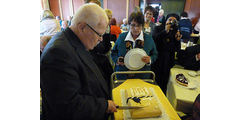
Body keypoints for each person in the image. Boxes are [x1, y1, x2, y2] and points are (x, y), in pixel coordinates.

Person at [40, 3, 117, 120]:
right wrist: (105, 105)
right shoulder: (58, 53)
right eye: (98, 34)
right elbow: (68, 105)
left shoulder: (76, 41)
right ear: (82, 27)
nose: (101, 39)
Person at [111, 12, 158, 80]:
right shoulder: (122, 37)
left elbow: (155, 54)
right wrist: (117, 60)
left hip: (142, 76)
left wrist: (150, 59)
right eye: (133, 25)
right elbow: (113, 52)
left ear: (142, 26)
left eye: (139, 25)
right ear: (129, 25)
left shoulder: (148, 39)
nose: (136, 28)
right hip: (122, 75)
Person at [152, 16, 182, 94]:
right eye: (169, 20)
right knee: (156, 77)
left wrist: (178, 40)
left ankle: (163, 94)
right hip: (159, 58)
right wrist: (165, 31)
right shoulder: (159, 28)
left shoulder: (176, 31)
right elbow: (155, 41)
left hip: (169, 60)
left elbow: (177, 49)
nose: (171, 22)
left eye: (173, 21)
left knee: (165, 80)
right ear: (166, 20)